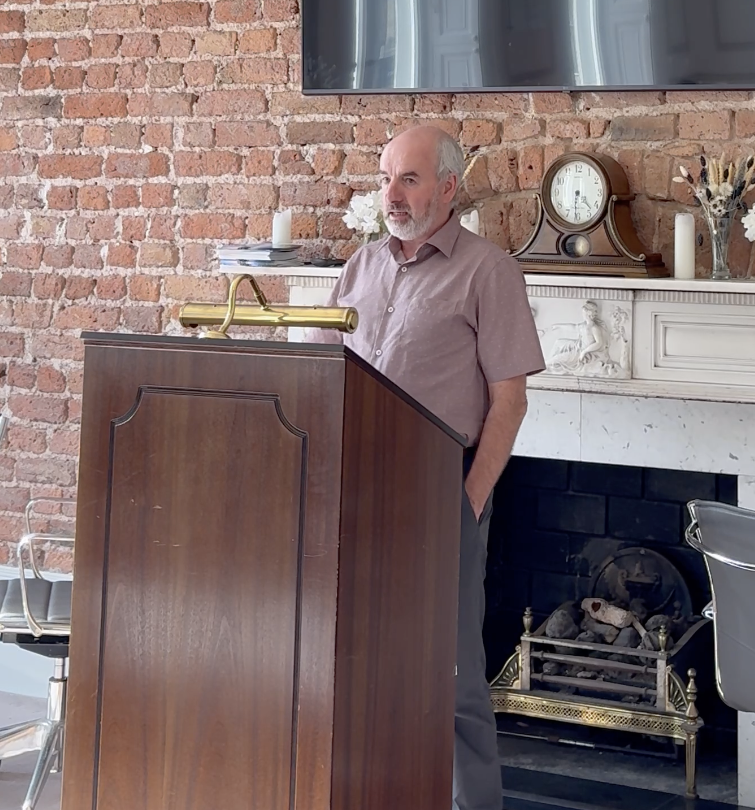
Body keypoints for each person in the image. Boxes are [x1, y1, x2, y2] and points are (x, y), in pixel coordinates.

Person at [313, 125, 545, 810]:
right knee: (356, 665)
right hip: (356, 490)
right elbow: (324, 373)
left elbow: (510, 402)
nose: (393, 193)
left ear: (448, 186)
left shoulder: (488, 271)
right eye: (385, 178)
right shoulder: (359, 267)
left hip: (441, 488)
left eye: (409, 179)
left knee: (451, 682)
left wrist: (469, 500)